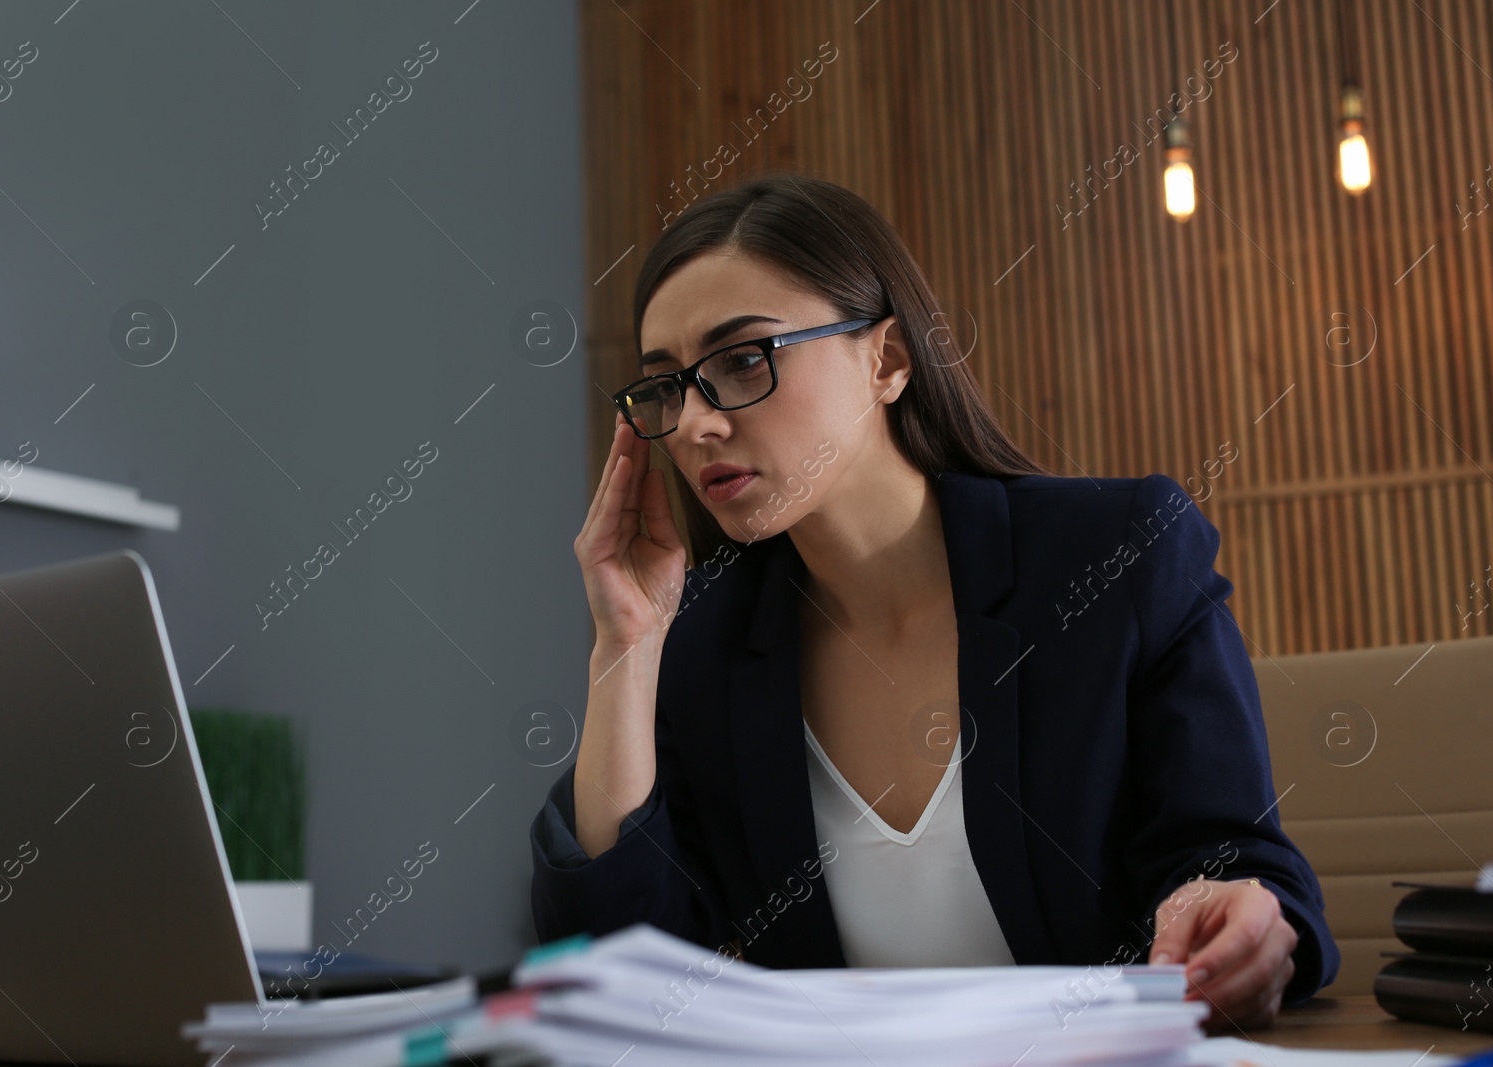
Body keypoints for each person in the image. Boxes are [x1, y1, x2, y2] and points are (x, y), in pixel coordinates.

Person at [529, 172, 1338, 1031]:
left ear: (886, 361)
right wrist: (625, 649)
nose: (694, 423)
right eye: (668, 384)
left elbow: (1242, 865)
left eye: (741, 360)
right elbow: (619, 982)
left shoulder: (1117, 557)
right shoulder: (701, 646)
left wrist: (1245, 917)